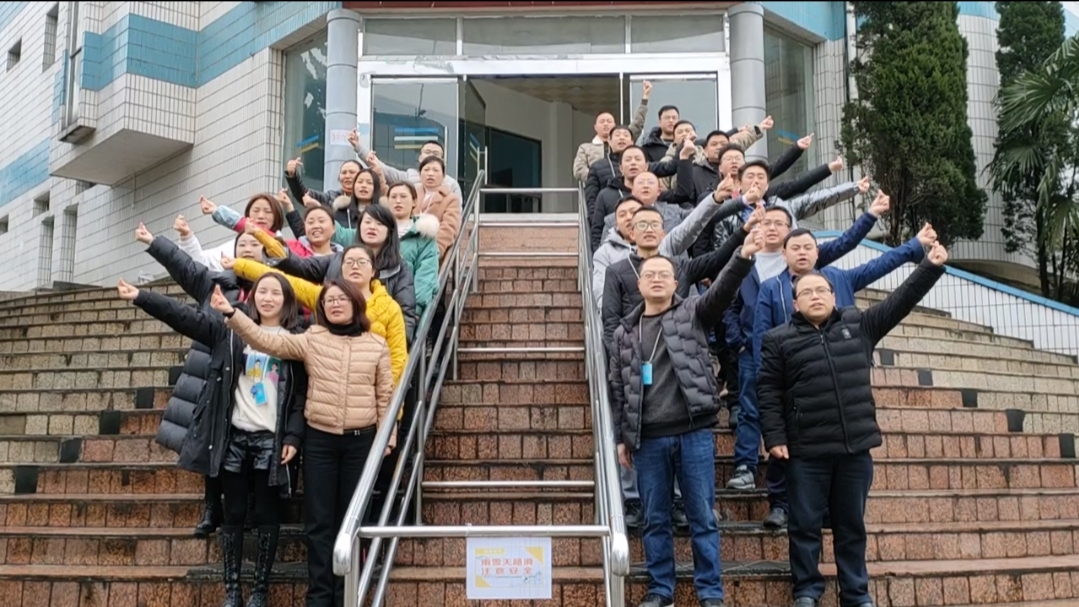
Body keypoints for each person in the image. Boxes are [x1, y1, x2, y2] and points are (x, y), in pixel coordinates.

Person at [757, 242, 950, 607]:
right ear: (795, 304)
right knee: (804, 526)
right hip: (806, 452)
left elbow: (899, 302)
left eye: (821, 290)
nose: (815, 296)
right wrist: (774, 436)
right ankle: (806, 591)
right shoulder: (777, 340)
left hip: (853, 449)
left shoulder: (858, 325)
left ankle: (856, 593)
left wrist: (929, 267)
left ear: (834, 296)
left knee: (851, 527)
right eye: (806, 293)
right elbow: (767, 390)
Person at [119, 271, 306, 607]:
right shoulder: (230, 330)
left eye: (275, 293)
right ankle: (232, 590)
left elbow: (300, 396)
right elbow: (186, 318)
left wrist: (293, 434)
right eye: (262, 291)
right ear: (252, 297)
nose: (268, 298)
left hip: (271, 439)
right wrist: (143, 297)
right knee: (233, 513)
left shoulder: (296, 340)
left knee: (267, 513)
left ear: (287, 300)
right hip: (234, 435)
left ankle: (260, 591)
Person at [211, 279, 395, 607]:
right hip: (319, 442)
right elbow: (267, 341)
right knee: (319, 523)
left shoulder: (376, 344)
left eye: (342, 299)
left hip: (360, 443)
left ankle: (345, 596)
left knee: (351, 521)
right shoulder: (312, 338)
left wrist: (388, 438)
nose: (335, 304)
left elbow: (385, 396)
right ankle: (319, 598)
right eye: (329, 300)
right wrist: (233, 315)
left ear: (356, 303)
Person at [609, 232, 762, 607]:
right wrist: (620, 437)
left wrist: (742, 256)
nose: (657, 279)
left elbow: (722, 291)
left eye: (664, 274)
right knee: (654, 518)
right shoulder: (625, 332)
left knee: (701, 516)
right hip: (648, 438)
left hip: (693, 432)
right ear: (639, 285)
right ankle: (661, 588)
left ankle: (710, 590)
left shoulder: (693, 311)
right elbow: (618, 388)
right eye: (650, 274)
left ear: (676, 282)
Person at [136, 219, 262, 537]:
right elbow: (185, 267)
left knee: (249, 439)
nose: (248, 249)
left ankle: (248, 505)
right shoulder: (215, 282)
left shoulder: (273, 287)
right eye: (243, 245)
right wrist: (154, 241)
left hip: (255, 376)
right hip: (214, 371)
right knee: (213, 436)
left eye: (255, 244)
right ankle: (211, 506)